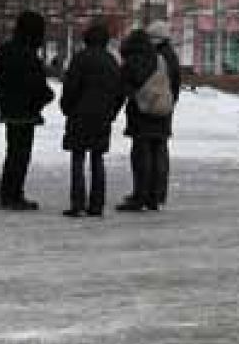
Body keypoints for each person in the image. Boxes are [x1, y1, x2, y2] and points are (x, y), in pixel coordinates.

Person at [0, 10, 54, 211]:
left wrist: (5, 95)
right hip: (27, 111)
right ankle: (13, 194)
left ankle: (9, 193)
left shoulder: (6, 50)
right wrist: (44, 97)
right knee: (20, 154)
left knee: (13, 153)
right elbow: (37, 84)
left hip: (10, 109)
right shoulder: (29, 54)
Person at [59, 20, 124, 217]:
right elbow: (120, 92)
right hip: (102, 116)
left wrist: (68, 108)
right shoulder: (112, 62)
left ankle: (77, 203)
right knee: (97, 158)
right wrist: (112, 112)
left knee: (78, 158)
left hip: (79, 115)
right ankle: (97, 204)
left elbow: (70, 87)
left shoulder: (80, 59)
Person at [117, 28, 172, 212]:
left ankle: (139, 195)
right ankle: (154, 197)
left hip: (141, 115)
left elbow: (122, 88)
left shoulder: (131, 62)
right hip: (161, 112)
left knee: (141, 156)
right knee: (158, 156)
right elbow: (172, 84)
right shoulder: (160, 59)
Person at [145, 20, 181, 206]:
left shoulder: (159, 57)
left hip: (156, 107)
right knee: (160, 149)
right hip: (166, 108)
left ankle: (152, 192)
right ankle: (159, 192)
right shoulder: (171, 56)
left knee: (153, 151)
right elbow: (176, 86)